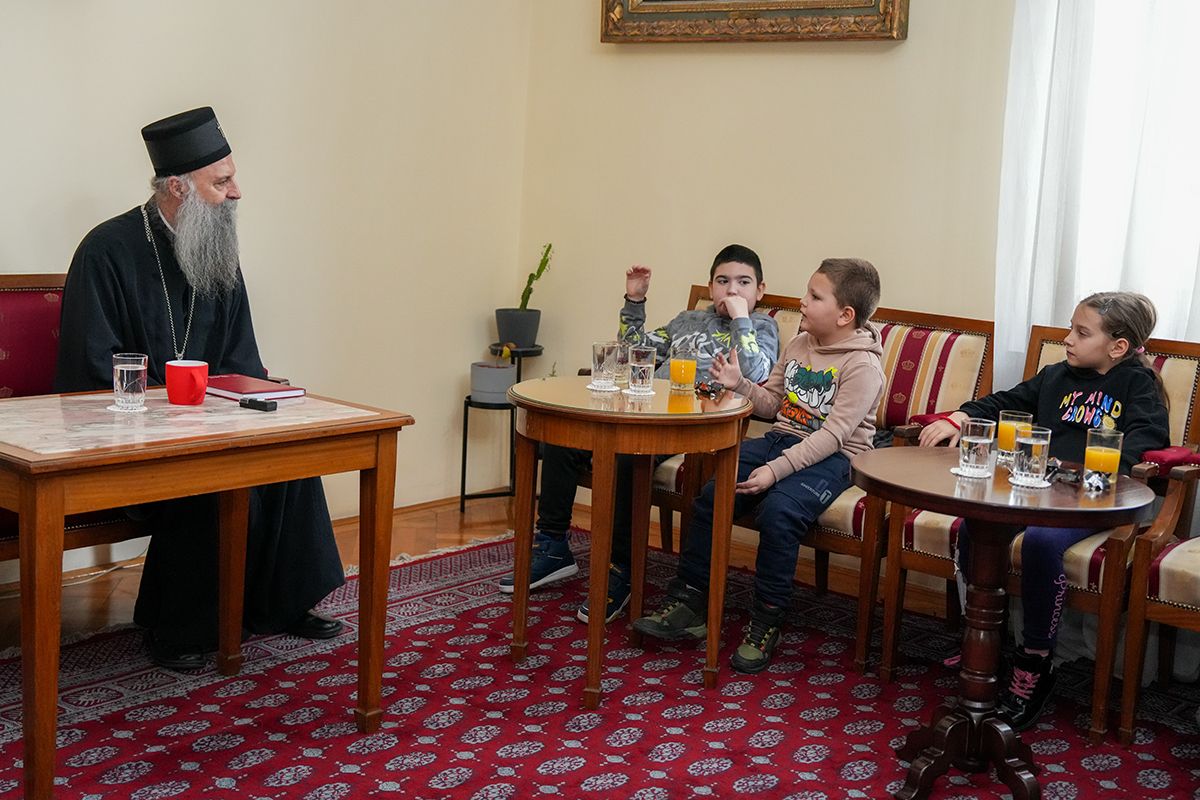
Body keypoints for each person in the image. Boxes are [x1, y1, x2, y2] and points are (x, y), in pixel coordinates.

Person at [55, 107, 346, 671]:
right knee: (205, 472)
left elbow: (241, 359)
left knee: (290, 453)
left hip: (209, 424)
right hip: (126, 434)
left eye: (232, 179)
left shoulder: (215, 251)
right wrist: (175, 409)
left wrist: (256, 397)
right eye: (222, 182)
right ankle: (179, 626)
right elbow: (90, 370)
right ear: (177, 188)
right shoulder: (106, 250)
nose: (236, 193)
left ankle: (283, 604)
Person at [917, 291, 1170, 730]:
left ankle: (1034, 662)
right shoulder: (1056, 376)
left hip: (1095, 500)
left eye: (1081, 332)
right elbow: (1003, 401)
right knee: (979, 526)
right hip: (1039, 489)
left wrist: (1084, 473)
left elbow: (1146, 442)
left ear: (1118, 347)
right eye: (1071, 328)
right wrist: (960, 417)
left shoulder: (1137, 385)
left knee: (1040, 542)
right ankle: (987, 640)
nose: (1068, 339)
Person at [498, 245, 780, 625]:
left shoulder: (761, 327)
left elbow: (757, 373)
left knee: (629, 457)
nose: (732, 290)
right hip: (645, 412)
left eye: (743, 283)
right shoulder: (687, 320)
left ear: (760, 290)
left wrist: (742, 318)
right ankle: (552, 545)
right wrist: (635, 301)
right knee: (565, 439)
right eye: (723, 281)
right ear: (710, 286)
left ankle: (620, 570)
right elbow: (633, 351)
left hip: (693, 430)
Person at [634, 258, 885, 674]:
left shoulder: (863, 366)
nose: (802, 301)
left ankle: (767, 620)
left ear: (845, 315)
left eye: (814, 296)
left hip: (835, 458)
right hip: (782, 438)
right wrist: (741, 385)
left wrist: (776, 470)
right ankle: (690, 600)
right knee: (714, 494)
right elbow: (771, 405)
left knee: (780, 512)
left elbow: (833, 436)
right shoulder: (800, 343)